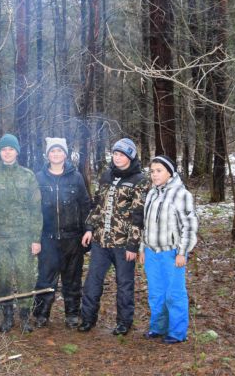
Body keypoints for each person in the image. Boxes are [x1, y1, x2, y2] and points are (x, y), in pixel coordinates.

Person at [79, 138, 149, 336]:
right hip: (101, 241)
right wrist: (89, 228)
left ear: (130, 156)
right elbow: (97, 205)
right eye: (115, 154)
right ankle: (87, 319)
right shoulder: (106, 175)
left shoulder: (139, 180)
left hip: (123, 244)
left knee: (124, 283)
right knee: (93, 281)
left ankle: (124, 322)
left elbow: (138, 215)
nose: (118, 158)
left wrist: (133, 246)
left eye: (122, 154)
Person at [0, 134, 42, 333]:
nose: (7, 152)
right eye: (4, 149)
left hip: (23, 238)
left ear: (17, 151)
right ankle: (7, 316)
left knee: (25, 277)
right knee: (3, 279)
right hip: (0, 239)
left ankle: (25, 317)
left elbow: (36, 209)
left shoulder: (28, 176)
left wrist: (36, 238)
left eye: (11, 149)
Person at [33, 138, 92, 329]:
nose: (55, 154)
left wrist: (88, 229)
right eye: (52, 151)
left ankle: (72, 313)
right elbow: (32, 209)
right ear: (47, 155)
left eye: (59, 151)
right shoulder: (39, 178)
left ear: (65, 154)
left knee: (72, 278)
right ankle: (41, 314)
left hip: (72, 238)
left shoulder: (76, 177)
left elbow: (85, 205)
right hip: (47, 237)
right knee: (45, 278)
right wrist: (34, 236)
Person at [139, 155, 198, 344]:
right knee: (156, 293)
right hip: (151, 252)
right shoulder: (151, 193)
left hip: (172, 253)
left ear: (170, 172)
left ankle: (177, 332)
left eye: (159, 171)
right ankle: (158, 328)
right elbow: (145, 224)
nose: (154, 175)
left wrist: (182, 252)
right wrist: (142, 247)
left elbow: (189, 226)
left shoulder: (181, 194)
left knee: (174, 293)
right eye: (152, 171)